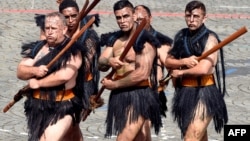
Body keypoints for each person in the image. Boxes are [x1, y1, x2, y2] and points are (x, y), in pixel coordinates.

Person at [17, 12, 88, 141]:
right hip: (38, 106)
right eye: (47, 28)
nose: (49, 32)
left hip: (63, 106)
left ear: (64, 29)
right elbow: (21, 71)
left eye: (54, 29)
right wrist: (35, 70)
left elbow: (65, 75)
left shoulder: (73, 50)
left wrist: (39, 83)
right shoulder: (38, 48)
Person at [98, 1, 162, 141]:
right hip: (120, 96)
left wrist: (114, 84)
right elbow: (101, 63)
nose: (122, 21)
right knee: (139, 138)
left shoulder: (145, 40)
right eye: (118, 18)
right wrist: (109, 61)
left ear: (134, 15)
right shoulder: (115, 39)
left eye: (126, 16)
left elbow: (142, 73)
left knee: (124, 138)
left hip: (139, 95)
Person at [165, 1, 228, 141]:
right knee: (199, 137)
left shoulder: (210, 39)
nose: (191, 20)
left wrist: (180, 72)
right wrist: (183, 62)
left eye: (196, 16)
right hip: (185, 92)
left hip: (205, 92)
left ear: (204, 18)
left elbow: (204, 69)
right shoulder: (181, 36)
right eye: (188, 16)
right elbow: (168, 61)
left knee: (191, 137)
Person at [58, 0, 101, 121]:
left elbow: (85, 65)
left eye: (74, 16)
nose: (71, 20)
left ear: (79, 14)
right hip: (58, 84)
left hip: (81, 85)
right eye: (66, 17)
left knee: (70, 122)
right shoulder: (57, 33)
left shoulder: (89, 36)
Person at [134, 4, 173, 117]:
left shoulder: (161, 41)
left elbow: (171, 65)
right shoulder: (128, 39)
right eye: (136, 20)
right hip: (130, 92)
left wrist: (165, 80)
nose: (139, 23)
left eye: (142, 20)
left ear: (150, 18)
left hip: (152, 94)